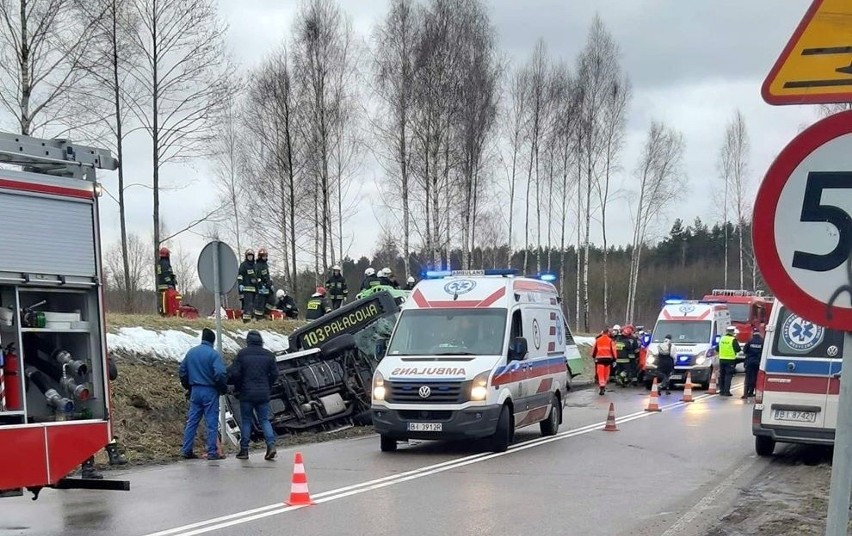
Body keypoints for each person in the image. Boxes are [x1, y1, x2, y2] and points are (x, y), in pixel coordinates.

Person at [228, 330, 278, 461]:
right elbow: (275, 374)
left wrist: (238, 387)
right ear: (261, 340)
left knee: (246, 421)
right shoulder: (269, 355)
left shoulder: (242, 354)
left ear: (248, 341)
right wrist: (268, 385)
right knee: (264, 420)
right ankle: (271, 445)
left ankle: (244, 450)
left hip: (246, 393)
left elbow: (235, 374)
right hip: (263, 393)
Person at [179, 328, 228, 460]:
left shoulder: (191, 353)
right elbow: (220, 373)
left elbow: (182, 371)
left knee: (192, 421)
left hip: (195, 390)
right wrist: (222, 388)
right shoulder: (214, 354)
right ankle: (212, 451)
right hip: (210, 390)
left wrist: (188, 386)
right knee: (211, 422)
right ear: (213, 341)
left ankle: (186, 450)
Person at [80, 356, 127, 479]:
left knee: (103, 426)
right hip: (94, 397)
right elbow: (113, 373)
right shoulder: (99, 351)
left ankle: (111, 455)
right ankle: (89, 467)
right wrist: (108, 359)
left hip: (86, 396)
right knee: (92, 431)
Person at [591, 328, 617, 396]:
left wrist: (593, 356)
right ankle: (604, 384)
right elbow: (613, 350)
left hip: (599, 359)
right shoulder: (610, 340)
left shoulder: (598, 340)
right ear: (608, 333)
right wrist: (614, 359)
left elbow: (594, 350)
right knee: (606, 373)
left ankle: (601, 385)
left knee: (600, 373)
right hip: (608, 360)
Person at [718, 326, 742, 397]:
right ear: (732, 332)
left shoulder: (722, 339)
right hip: (730, 360)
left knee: (722, 375)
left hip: (722, 359)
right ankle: (726, 391)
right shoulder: (733, 340)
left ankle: (721, 391)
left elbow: (717, 348)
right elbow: (738, 349)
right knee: (728, 376)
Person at [237, 249, 258, 324]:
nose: (250, 257)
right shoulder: (244, 265)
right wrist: (241, 284)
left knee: (255, 306)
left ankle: (253, 319)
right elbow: (240, 275)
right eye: (248, 256)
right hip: (247, 289)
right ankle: (246, 321)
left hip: (255, 290)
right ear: (246, 256)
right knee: (248, 305)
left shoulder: (255, 265)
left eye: (251, 256)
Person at [742, 328, 764, 399]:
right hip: (758, 362)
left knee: (748, 378)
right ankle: (752, 392)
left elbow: (745, 350)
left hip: (749, 362)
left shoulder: (750, 341)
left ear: (753, 333)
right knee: (756, 378)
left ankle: (745, 394)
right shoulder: (762, 341)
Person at [254, 248, 274, 321]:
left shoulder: (265, 265)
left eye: (266, 256)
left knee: (272, 300)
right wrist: (261, 284)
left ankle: (266, 314)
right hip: (260, 287)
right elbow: (256, 277)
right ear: (260, 256)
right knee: (261, 301)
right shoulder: (257, 266)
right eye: (263, 256)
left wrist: (270, 283)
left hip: (267, 286)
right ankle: (259, 317)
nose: (265, 257)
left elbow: (267, 276)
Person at [156, 247, 176, 316]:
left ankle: (165, 313)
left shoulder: (161, 263)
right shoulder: (164, 263)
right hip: (166, 286)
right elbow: (165, 274)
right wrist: (170, 282)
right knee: (166, 301)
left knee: (164, 301)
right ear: (167, 255)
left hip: (162, 285)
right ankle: (166, 314)